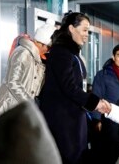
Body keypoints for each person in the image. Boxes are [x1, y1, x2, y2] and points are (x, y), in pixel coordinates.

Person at [38, 11, 108, 164]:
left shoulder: (71, 53)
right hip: (63, 122)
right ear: (71, 28)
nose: (87, 34)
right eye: (84, 30)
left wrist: (94, 102)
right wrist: (95, 103)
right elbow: (69, 87)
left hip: (73, 119)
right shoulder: (61, 52)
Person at [0, 19, 56, 117]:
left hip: (20, 110)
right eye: (48, 47)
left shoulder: (39, 60)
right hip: (7, 108)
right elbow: (13, 82)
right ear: (41, 43)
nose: (48, 51)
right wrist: (31, 103)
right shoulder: (23, 53)